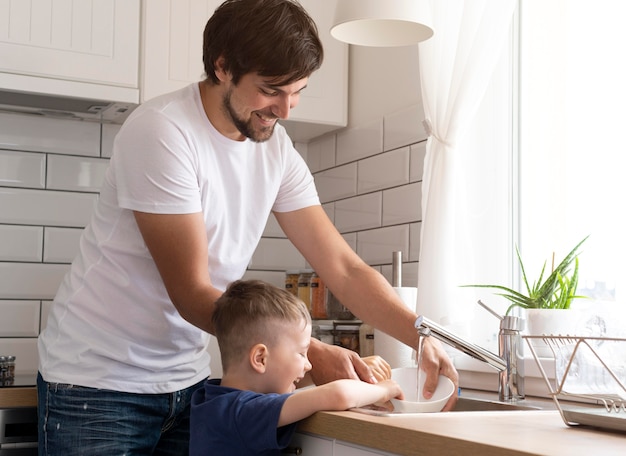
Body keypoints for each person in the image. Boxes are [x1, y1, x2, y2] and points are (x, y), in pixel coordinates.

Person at [37, 0, 458, 454]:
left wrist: (421, 335)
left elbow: (343, 267)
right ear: (222, 67)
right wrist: (309, 352)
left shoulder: (276, 150)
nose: (286, 109)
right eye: (272, 90)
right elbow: (192, 292)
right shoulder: (163, 132)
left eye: (297, 90)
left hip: (190, 380)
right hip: (97, 383)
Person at [189, 280, 404, 455]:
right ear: (261, 358)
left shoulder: (212, 401)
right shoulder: (245, 412)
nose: (309, 364)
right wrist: (384, 389)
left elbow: (288, 378)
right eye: (302, 353)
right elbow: (338, 394)